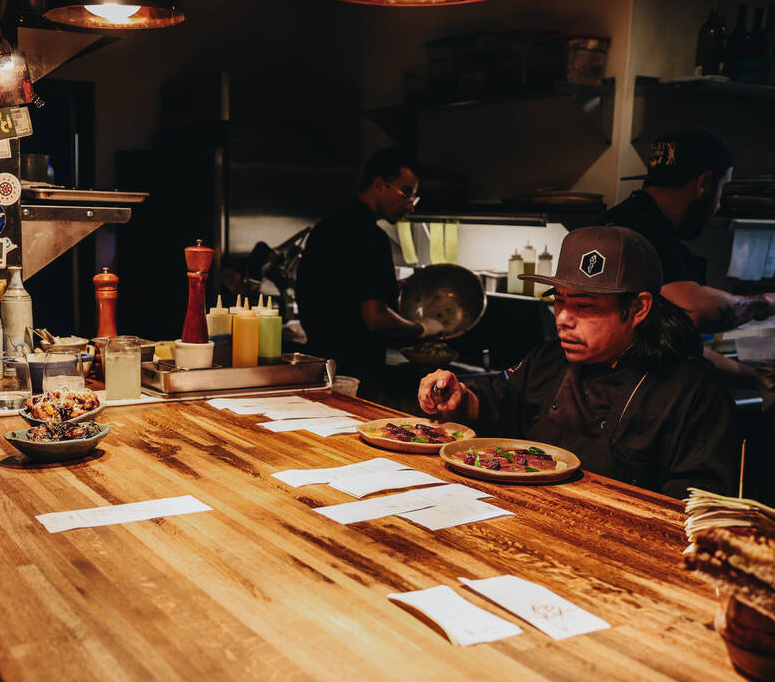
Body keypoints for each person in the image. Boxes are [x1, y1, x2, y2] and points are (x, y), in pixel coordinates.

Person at [418, 226, 739, 498]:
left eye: (584, 305)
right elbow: (496, 399)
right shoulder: (548, 360)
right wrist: (457, 397)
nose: (564, 320)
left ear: (639, 308)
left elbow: (698, 511)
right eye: (559, 301)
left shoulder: (693, 391)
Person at [608, 128, 775, 384]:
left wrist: (757, 378)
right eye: (722, 189)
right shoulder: (645, 230)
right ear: (704, 184)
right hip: (630, 400)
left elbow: (679, 346)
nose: (719, 205)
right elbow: (693, 311)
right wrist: (766, 303)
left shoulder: (630, 218)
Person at [297, 147, 434, 401]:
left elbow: (335, 288)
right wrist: (421, 329)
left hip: (318, 366)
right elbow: (375, 317)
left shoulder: (326, 226)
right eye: (406, 192)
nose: (410, 205)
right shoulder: (372, 237)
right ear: (379, 185)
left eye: (415, 197)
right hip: (359, 374)